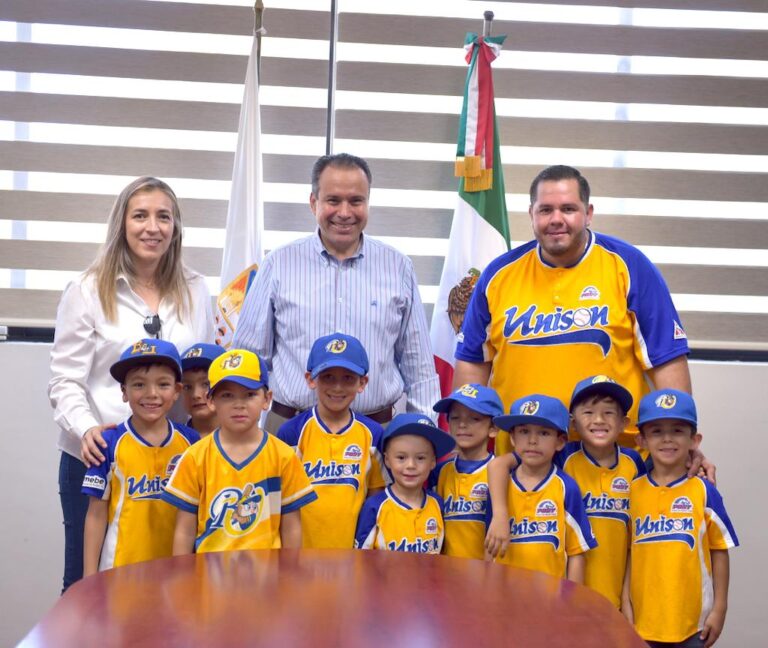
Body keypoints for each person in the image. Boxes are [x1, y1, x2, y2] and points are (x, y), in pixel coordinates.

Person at [453, 164, 691, 455]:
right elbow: (472, 365)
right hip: (521, 457)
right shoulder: (498, 276)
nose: (556, 219)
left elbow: (667, 360)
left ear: (588, 213)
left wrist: (682, 443)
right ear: (531, 215)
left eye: (568, 209)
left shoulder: (629, 266)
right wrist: (463, 450)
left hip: (615, 459)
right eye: (545, 210)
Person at [48, 176, 214, 591]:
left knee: (170, 583)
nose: (152, 227)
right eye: (140, 215)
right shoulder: (87, 290)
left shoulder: (196, 290)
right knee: (87, 585)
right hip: (99, 456)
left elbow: (201, 373)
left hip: (176, 459)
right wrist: (86, 430)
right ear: (121, 223)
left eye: (163, 216)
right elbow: (64, 379)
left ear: (176, 227)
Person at [232, 153, 440, 432]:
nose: (345, 212)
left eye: (356, 201)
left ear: (367, 203)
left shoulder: (398, 267)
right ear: (313, 203)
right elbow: (248, 359)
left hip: (375, 433)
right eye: (333, 200)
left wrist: (422, 434)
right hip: (289, 430)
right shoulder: (279, 264)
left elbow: (419, 369)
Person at [485, 375, 645, 607]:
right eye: (588, 412)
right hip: (560, 593)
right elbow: (499, 464)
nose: (598, 420)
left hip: (612, 590)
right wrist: (500, 515)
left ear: (623, 422)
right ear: (572, 423)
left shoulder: (634, 463)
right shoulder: (560, 455)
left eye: (609, 412)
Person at [163, 349, 317, 554]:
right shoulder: (195, 457)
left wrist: (289, 574)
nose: (238, 404)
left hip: (266, 576)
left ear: (267, 399)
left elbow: (291, 525)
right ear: (211, 401)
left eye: (250, 394)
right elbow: (184, 530)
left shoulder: (283, 456)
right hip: (210, 577)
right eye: (227, 395)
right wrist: (182, 577)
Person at [624, 390, 738, 647]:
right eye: (656, 431)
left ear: (694, 440)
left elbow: (720, 551)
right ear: (641, 440)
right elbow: (630, 553)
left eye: (677, 430)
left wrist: (720, 608)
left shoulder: (704, 491)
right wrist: (625, 601)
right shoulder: (633, 491)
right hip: (644, 621)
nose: (667, 439)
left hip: (692, 624)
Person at [82, 339, 198, 575]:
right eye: (138, 385)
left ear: (177, 390)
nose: (151, 394)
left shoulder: (192, 442)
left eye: (163, 384)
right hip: (120, 571)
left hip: (175, 572)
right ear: (124, 392)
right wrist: (89, 575)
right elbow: (95, 514)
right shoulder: (108, 442)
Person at [276, 333, 389, 548]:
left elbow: (376, 498)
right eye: (328, 377)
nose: (337, 387)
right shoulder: (291, 432)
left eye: (348, 378)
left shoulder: (372, 434)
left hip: (351, 556)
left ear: (362, 382)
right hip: (301, 555)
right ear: (310, 379)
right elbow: (281, 502)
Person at [488, 394, 596, 582]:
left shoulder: (566, 487)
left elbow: (576, 552)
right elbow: (491, 545)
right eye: (524, 431)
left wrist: (573, 604)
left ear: (560, 441)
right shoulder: (500, 487)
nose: (532, 440)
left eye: (544, 433)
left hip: (551, 602)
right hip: (505, 599)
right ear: (512, 438)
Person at [354, 413, 455, 553]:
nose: (411, 465)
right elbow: (361, 558)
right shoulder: (375, 507)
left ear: (433, 461)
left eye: (420, 458)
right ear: (387, 460)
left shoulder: (438, 504)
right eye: (401, 457)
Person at [429, 383, 503, 559]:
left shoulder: (501, 473)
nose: (462, 424)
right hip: (445, 574)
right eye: (455, 418)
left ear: (493, 428)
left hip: (486, 574)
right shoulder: (438, 471)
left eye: (474, 419)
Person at [180, 343, 226, 438]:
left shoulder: (245, 440)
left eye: (206, 384)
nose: (196, 395)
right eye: (187, 387)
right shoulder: (174, 440)